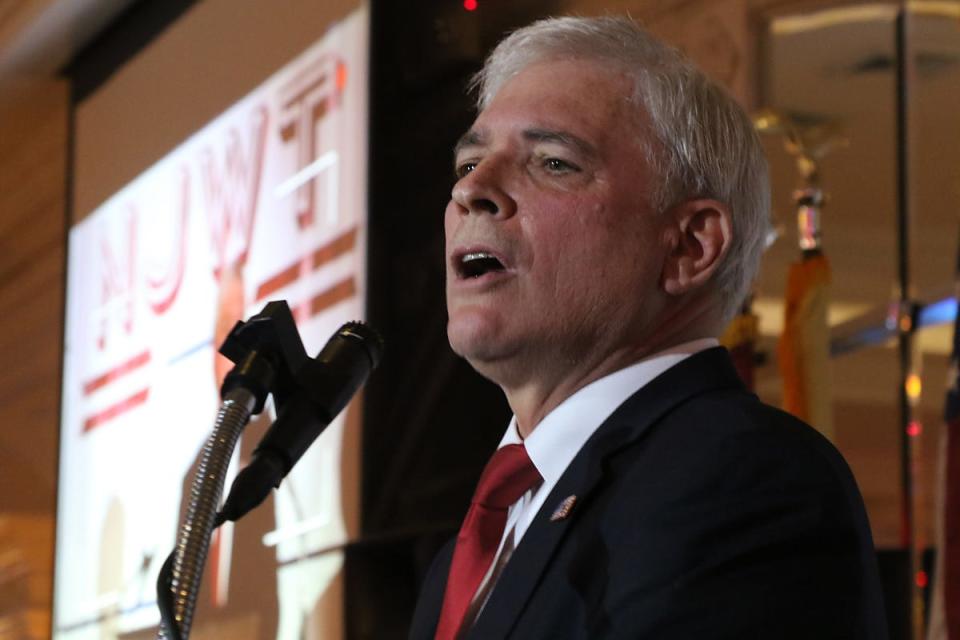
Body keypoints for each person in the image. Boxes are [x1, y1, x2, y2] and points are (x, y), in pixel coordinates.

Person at [409, 15, 888, 640]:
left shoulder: (746, 479)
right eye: (469, 163)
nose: (474, 190)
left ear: (690, 245)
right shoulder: (464, 559)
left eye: (553, 163)